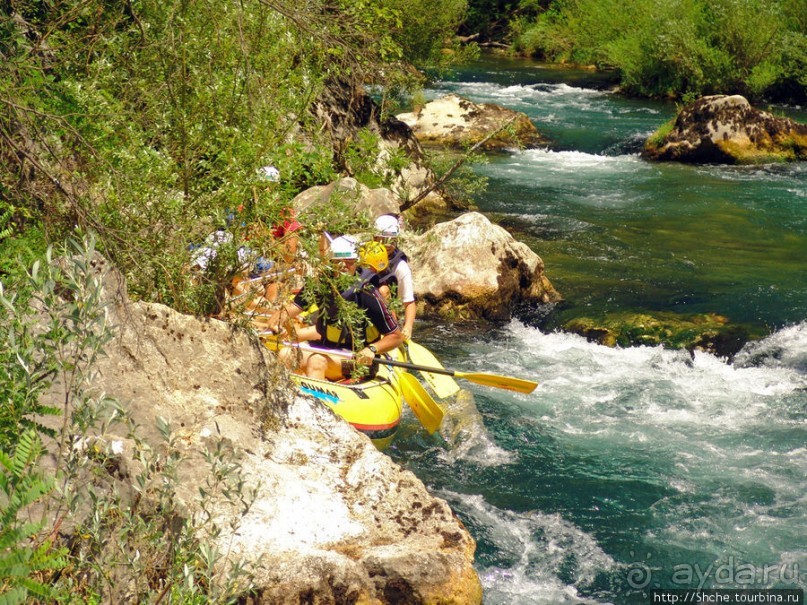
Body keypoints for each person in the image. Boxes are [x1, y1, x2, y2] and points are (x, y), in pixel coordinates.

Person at [266, 235, 404, 381]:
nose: (344, 266)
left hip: (357, 359)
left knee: (316, 361)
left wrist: (372, 349)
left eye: (349, 261)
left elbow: (396, 337)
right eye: (338, 261)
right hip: (326, 348)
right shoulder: (320, 284)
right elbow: (292, 308)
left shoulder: (368, 292)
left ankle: (316, 394)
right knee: (285, 354)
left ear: (357, 262)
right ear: (330, 263)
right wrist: (277, 321)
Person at [366, 214, 416, 341]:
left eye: (392, 240)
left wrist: (408, 327)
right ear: (375, 238)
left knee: (383, 291)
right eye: (384, 240)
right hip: (364, 308)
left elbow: (409, 302)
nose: (388, 245)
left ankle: (392, 332)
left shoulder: (400, 267)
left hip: (387, 312)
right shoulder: (362, 256)